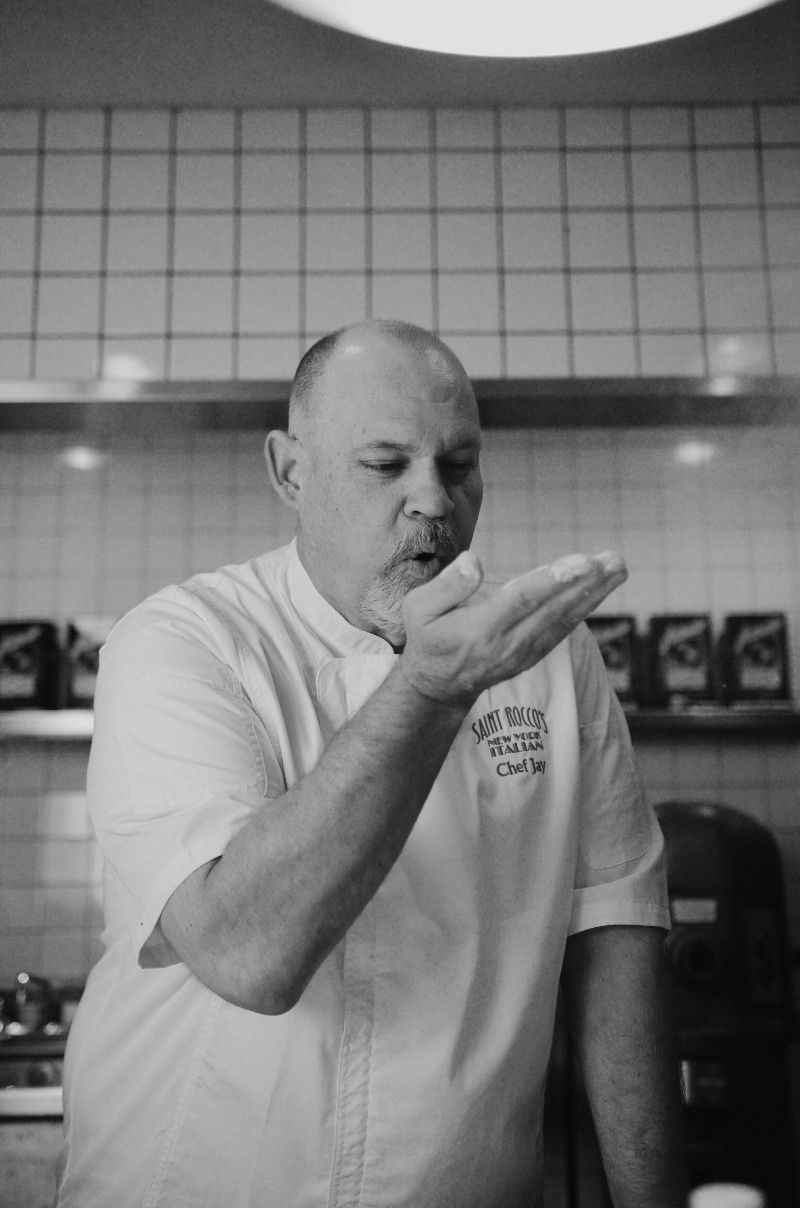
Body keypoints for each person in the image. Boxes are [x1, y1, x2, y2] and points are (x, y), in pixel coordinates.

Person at [56, 319, 688, 1208]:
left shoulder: (550, 655)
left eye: (459, 464)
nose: (433, 501)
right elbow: (249, 955)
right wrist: (430, 688)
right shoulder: (182, 641)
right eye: (385, 465)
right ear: (290, 471)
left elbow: (616, 932)